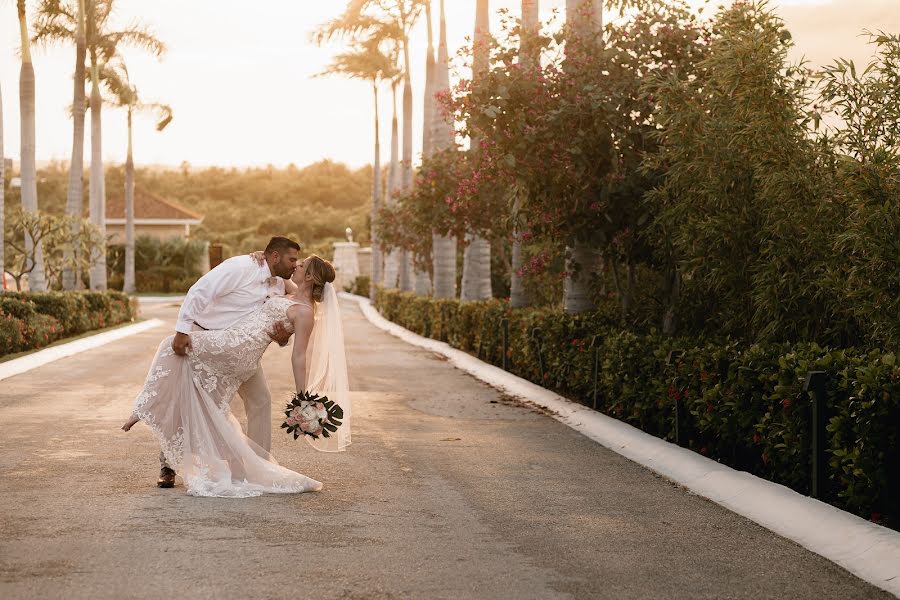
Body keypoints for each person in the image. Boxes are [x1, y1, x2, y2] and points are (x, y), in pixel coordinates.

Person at [122, 252, 350, 497]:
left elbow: (299, 355)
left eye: (301, 264)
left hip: (237, 347)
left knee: (171, 346)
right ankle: (183, 460)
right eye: (293, 260)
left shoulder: (305, 312)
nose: (295, 265)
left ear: (310, 276)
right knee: (202, 397)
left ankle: (144, 407)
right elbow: (273, 276)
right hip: (230, 342)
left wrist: (303, 395)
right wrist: (258, 256)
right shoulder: (277, 282)